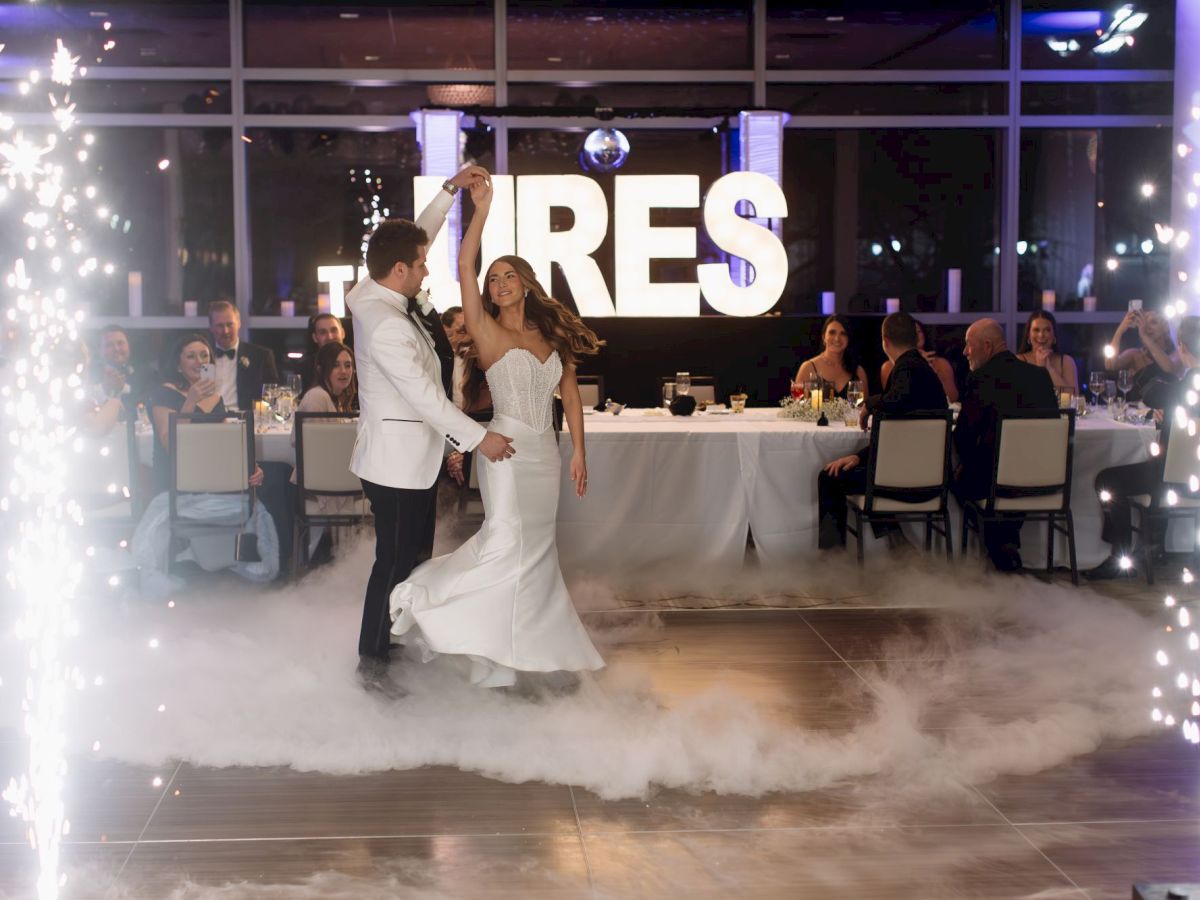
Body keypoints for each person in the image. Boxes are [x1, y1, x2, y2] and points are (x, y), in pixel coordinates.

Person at [386, 170, 605, 691]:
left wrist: (578, 452)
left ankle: (511, 655)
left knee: (537, 554)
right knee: (505, 545)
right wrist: (480, 209)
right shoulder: (484, 329)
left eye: (508, 276)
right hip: (504, 452)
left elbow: (570, 394)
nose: (499, 284)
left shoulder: (551, 333)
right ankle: (442, 614)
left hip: (545, 455)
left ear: (526, 283)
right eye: (493, 280)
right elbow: (465, 263)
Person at [346, 165, 515, 696]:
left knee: (413, 559)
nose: (425, 271)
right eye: (420, 265)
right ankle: (373, 664)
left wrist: (449, 192)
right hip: (395, 465)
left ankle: (397, 643)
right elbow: (425, 399)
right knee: (393, 563)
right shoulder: (385, 326)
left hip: (411, 461)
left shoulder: (370, 289)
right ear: (399, 270)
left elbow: (414, 236)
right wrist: (479, 439)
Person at [817, 312, 949, 551]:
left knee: (830, 477)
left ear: (885, 341)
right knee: (865, 472)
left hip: (903, 478)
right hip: (933, 479)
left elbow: (895, 410)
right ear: (915, 338)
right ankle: (898, 542)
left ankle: (832, 558)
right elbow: (900, 432)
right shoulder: (920, 369)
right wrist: (860, 456)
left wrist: (870, 404)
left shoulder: (907, 371)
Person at [1088, 316, 1200, 579]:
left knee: (1107, 480)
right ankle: (1153, 549)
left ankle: (1120, 557)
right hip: (1194, 479)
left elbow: (1151, 393)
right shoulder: (1182, 388)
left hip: (1172, 482)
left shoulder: (1182, 388)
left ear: (1182, 346)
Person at [952, 318, 1058, 572]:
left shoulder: (980, 378)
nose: (965, 352)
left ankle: (996, 543)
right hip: (1042, 477)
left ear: (987, 346)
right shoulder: (1039, 376)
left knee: (956, 478)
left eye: (969, 345)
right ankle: (1006, 540)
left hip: (994, 483)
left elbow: (963, 438)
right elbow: (1052, 427)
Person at [146, 333, 265, 496]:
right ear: (178, 365)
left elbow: (226, 442)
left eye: (204, 356)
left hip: (214, 480)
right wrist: (191, 400)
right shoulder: (163, 393)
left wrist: (250, 464)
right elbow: (170, 446)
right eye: (191, 356)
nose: (200, 362)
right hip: (177, 484)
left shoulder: (216, 398)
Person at [206, 299, 280, 410]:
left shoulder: (261, 356)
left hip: (245, 418)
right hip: (209, 418)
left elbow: (271, 398)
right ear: (211, 328)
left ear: (239, 323)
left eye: (230, 324)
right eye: (219, 326)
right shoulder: (202, 357)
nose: (225, 331)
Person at [1105, 307, 1182, 402]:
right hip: (1137, 410)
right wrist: (1120, 330)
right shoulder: (1135, 354)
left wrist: (1144, 336)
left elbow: (1169, 367)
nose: (1147, 327)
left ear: (1165, 328)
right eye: (1145, 323)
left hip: (1167, 409)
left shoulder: (1177, 354)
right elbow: (1110, 364)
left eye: (1153, 322)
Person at [880, 317, 958, 403]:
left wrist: (930, 372)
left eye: (918, 331)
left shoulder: (941, 363)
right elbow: (894, 399)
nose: (916, 335)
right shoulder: (888, 366)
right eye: (913, 333)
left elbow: (952, 398)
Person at [795, 314, 868, 399]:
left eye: (843, 333)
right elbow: (797, 404)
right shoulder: (808, 368)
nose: (837, 338)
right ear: (823, 337)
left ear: (848, 339)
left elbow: (865, 406)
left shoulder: (858, 371)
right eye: (832, 332)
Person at [1016, 310, 1078, 394]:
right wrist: (1040, 369)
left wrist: (1048, 368)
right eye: (1036, 330)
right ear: (1028, 336)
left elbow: (1073, 397)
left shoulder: (1067, 361)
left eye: (1047, 330)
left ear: (1054, 336)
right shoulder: (1019, 360)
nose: (1041, 335)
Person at [93, 325, 143, 417]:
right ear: (99, 350)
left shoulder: (145, 374)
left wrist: (123, 388)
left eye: (120, 343)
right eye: (109, 345)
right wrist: (105, 389)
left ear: (128, 346)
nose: (116, 348)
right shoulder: (88, 375)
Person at [299, 313, 346, 390]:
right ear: (315, 338)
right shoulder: (303, 370)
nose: (330, 337)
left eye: (334, 330)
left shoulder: (360, 363)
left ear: (343, 333)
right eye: (323, 332)